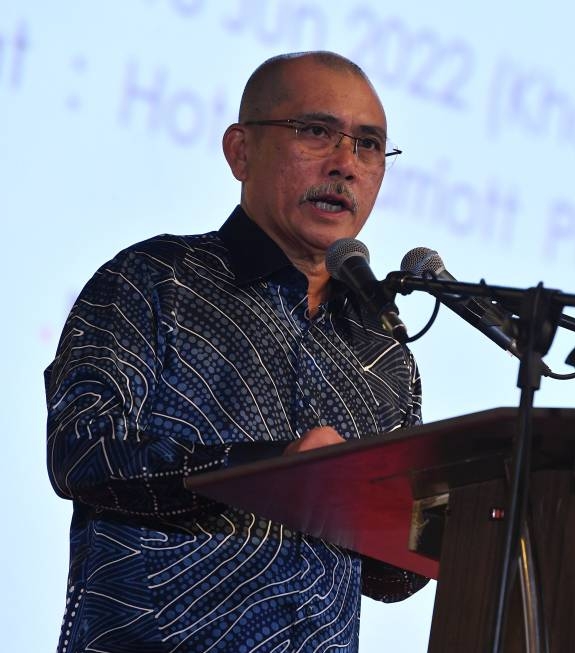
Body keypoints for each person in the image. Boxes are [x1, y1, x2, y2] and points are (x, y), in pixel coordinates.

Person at [44, 51, 426, 653]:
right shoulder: (156, 280)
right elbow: (82, 451)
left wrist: (455, 518)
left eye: (369, 145)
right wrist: (275, 470)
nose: (345, 165)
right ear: (240, 151)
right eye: (316, 131)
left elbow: (392, 577)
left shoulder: (383, 351)